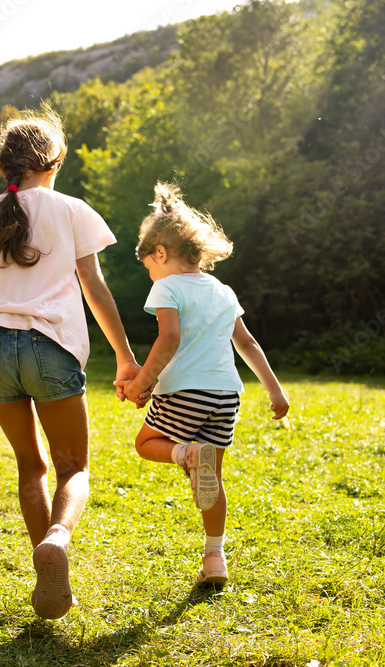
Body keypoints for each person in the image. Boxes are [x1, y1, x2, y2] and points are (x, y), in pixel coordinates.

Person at [0, 110, 144, 620]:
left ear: (7, 165)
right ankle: (58, 540)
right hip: (52, 345)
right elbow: (94, 288)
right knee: (73, 466)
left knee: (31, 468)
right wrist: (126, 356)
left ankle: (47, 576)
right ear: (54, 162)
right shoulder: (71, 209)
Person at [117, 182, 290, 587]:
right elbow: (246, 343)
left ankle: (188, 454)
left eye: (148, 267)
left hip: (184, 392)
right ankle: (215, 558)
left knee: (147, 445)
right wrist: (275, 391)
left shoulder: (167, 287)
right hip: (226, 396)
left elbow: (170, 339)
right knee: (212, 478)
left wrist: (143, 382)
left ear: (159, 254)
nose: (150, 275)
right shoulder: (223, 290)